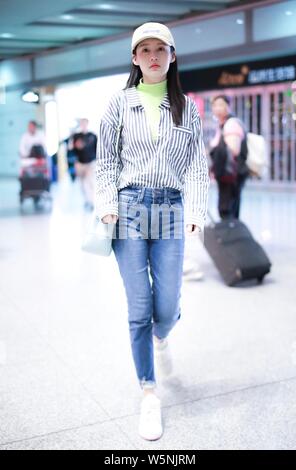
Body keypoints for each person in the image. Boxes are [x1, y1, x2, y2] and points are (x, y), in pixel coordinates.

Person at [96, 22, 210, 441]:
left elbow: (196, 165)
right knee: (139, 305)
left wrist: (196, 209)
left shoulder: (187, 107)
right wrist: (107, 205)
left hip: (170, 207)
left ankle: (162, 337)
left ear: (172, 55)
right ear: (135, 59)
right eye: (144, 50)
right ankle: (148, 391)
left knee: (167, 305)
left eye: (160, 49)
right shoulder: (119, 104)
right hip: (127, 208)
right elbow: (106, 159)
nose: (153, 56)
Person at [210, 95, 249, 220]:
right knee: (228, 207)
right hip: (228, 175)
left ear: (228, 106)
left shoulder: (231, 124)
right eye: (215, 105)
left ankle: (230, 237)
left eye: (221, 104)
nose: (217, 108)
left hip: (232, 174)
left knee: (227, 209)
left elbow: (234, 150)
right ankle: (230, 236)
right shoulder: (223, 125)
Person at [72, 119, 97, 211]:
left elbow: (97, 149)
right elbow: (72, 150)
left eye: (84, 123)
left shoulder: (93, 136)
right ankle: (87, 201)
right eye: (82, 124)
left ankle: (92, 202)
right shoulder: (76, 136)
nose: (83, 125)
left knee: (89, 182)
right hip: (80, 163)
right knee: (82, 184)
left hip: (91, 163)